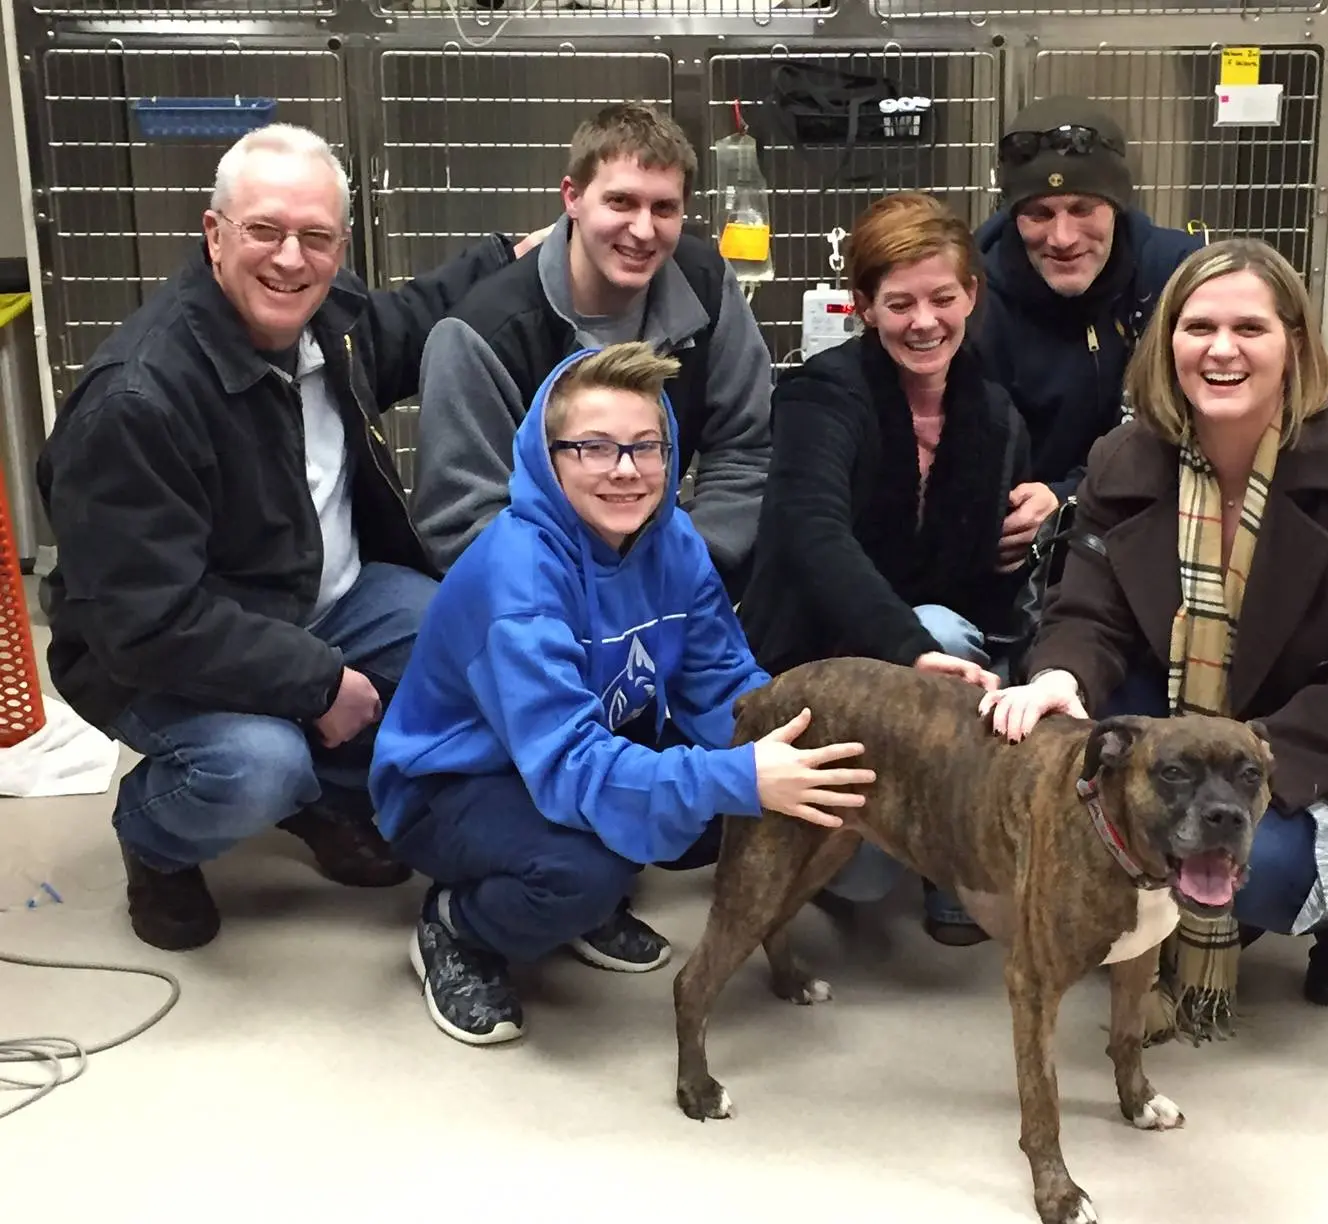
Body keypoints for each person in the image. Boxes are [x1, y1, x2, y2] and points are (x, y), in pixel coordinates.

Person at [35, 123, 549, 952]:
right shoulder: (138, 401)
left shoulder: (328, 324)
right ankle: (155, 838)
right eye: (264, 231)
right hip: (155, 652)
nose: (289, 260)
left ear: (341, 247)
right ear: (213, 234)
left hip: (321, 601)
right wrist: (318, 683)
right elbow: (144, 624)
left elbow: (412, 317)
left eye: (315, 238)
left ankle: (323, 796)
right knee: (258, 766)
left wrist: (508, 255)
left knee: (467, 638)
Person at [981, 238, 1328, 1029]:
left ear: (1294, 342)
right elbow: (1090, 614)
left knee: (1273, 869)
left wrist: (1245, 755)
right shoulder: (1123, 457)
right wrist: (1061, 679)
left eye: (1250, 329)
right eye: (1198, 328)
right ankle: (1187, 905)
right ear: (1169, 345)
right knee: (1117, 770)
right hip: (1208, 702)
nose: (1222, 350)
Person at [369, 342, 872, 1045]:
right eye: (595, 448)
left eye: (647, 446)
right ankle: (458, 927)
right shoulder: (518, 574)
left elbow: (723, 683)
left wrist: (804, 741)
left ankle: (578, 897)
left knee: (723, 810)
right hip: (456, 781)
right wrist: (738, 776)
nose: (628, 471)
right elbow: (568, 761)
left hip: (585, 740)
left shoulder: (673, 540)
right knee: (587, 869)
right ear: (550, 457)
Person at [735, 192, 1026, 947]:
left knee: (973, 646)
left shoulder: (994, 414)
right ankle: (928, 837)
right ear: (863, 306)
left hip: (936, 663)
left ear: (973, 296)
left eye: (942, 297)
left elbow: (991, 585)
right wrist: (909, 647)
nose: (924, 321)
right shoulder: (822, 393)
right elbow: (812, 530)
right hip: (824, 655)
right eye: (898, 303)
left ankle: (950, 857)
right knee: (861, 878)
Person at [410, 102, 773, 596]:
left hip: (676, 578)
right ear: (572, 197)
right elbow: (464, 524)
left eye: (664, 208)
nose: (644, 230)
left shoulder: (708, 287)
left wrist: (689, 562)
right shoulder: (479, 336)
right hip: (536, 598)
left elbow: (747, 450)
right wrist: (594, 594)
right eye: (621, 202)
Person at [975, 96, 1203, 523]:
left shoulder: (1177, 277)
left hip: (1150, 512)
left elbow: (1197, 430)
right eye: (1038, 213)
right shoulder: (974, 299)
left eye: (1083, 209)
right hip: (1018, 530)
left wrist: (1070, 499)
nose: (1063, 238)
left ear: (1116, 205)